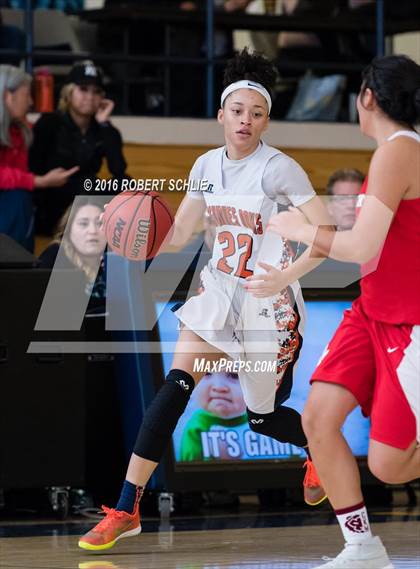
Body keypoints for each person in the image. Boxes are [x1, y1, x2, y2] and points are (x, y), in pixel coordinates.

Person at [78, 47, 332, 552]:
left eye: (256, 114)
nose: (246, 121)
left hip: (268, 303)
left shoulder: (280, 171)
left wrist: (283, 274)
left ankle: (317, 448)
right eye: (237, 112)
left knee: (262, 417)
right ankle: (127, 507)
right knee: (173, 388)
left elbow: (324, 237)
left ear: (266, 121)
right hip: (218, 292)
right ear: (221, 115)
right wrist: (128, 232)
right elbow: (178, 236)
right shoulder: (204, 165)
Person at [267, 54, 420, 568]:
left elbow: (359, 246)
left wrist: (298, 229)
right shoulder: (392, 152)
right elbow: (369, 249)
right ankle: (361, 546)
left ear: (368, 98)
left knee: (391, 466)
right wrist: (287, 273)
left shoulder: (398, 151)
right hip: (372, 310)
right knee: (318, 418)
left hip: (409, 321)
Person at [29, 60, 128, 236]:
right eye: (83, 89)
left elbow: (118, 169)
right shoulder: (49, 123)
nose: (90, 97)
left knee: (125, 183)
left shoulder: (103, 129)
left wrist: (104, 124)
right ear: (68, 92)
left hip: (89, 197)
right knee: (87, 185)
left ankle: (119, 242)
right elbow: (32, 168)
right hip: (53, 200)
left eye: (96, 92)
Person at [0, 64, 78, 252]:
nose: (30, 102)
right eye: (26, 95)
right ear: (8, 97)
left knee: (25, 197)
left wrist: (102, 125)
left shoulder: (20, 129)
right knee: (19, 197)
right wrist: (40, 181)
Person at [38, 197, 107, 312]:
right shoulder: (55, 255)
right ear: (68, 229)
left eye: (99, 223)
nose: (93, 231)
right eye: (83, 224)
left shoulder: (115, 260)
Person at [180, 372, 248, 461]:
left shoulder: (261, 420)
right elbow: (189, 472)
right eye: (207, 373)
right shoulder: (196, 428)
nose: (218, 387)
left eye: (235, 375)